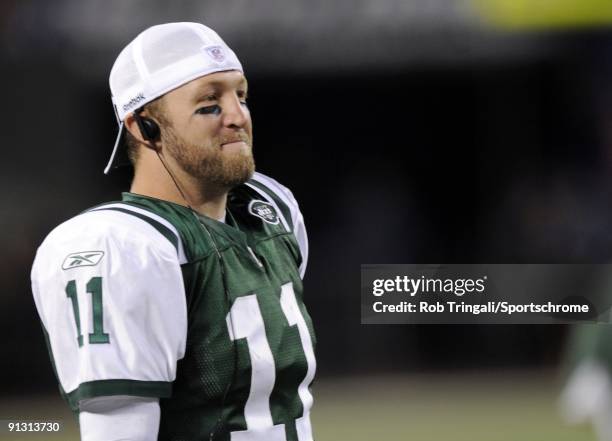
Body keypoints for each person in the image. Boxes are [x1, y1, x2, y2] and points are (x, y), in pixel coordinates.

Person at [30, 22, 316, 441]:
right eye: (209, 104)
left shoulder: (270, 209)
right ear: (144, 127)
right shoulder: (121, 247)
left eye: (241, 95)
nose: (238, 117)